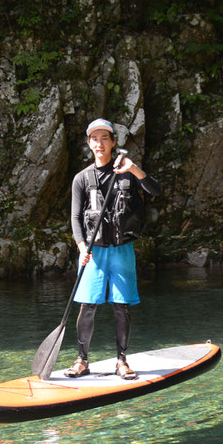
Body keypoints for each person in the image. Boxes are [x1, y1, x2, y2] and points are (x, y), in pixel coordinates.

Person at [65, 118, 160, 380]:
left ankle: (122, 361)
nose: (99, 143)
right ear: (89, 143)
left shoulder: (127, 171)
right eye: (94, 139)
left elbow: (156, 190)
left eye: (104, 138)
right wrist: (82, 247)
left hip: (121, 250)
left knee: (121, 306)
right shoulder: (81, 179)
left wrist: (136, 169)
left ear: (113, 142)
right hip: (93, 252)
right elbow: (75, 218)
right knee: (88, 306)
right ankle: (82, 360)